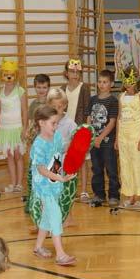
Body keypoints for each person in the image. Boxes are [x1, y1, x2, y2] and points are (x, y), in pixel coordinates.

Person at [30, 105, 76, 266]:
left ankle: (38, 247)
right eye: (53, 123)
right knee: (55, 215)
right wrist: (60, 178)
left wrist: (74, 143)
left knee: (47, 216)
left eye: (57, 123)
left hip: (54, 181)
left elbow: (62, 150)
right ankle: (60, 254)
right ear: (41, 123)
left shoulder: (56, 136)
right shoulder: (38, 145)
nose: (56, 127)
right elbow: (41, 169)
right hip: (44, 185)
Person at [115, 65, 140, 209]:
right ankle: (130, 196)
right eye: (126, 80)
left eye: (131, 80)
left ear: (136, 80)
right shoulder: (121, 96)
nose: (128, 83)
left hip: (136, 136)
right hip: (124, 137)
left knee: (139, 166)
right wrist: (117, 138)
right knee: (125, 166)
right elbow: (119, 117)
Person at [85, 69, 120, 207]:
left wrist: (100, 137)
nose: (101, 84)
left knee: (111, 169)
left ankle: (114, 195)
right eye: (99, 81)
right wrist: (90, 134)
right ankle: (99, 194)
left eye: (105, 82)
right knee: (96, 169)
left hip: (107, 142)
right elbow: (89, 117)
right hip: (94, 142)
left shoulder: (113, 101)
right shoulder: (93, 99)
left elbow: (112, 122)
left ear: (111, 84)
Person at [0, 58, 28, 193]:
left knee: (18, 155)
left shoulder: (20, 91)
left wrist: (25, 128)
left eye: (11, 74)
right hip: (4, 129)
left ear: (15, 76)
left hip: (17, 128)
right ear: (1, 76)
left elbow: (25, 111)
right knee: (9, 156)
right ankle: (13, 183)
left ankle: (19, 183)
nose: (9, 77)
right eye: (6, 74)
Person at [46, 88, 78, 227]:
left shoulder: (69, 123)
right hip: (51, 163)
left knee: (66, 191)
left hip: (65, 163)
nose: (57, 109)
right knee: (52, 191)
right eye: (54, 106)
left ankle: (69, 217)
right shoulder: (47, 121)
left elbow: (77, 138)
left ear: (65, 105)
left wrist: (68, 145)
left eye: (60, 106)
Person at [61, 58, 91, 203]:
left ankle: (84, 190)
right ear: (66, 73)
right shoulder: (62, 89)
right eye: (72, 71)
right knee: (68, 160)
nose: (74, 74)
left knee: (83, 160)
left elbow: (87, 110)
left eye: (77, 72)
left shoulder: (84, 87)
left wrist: (87, 130)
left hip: (79, 129)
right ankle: (69, 189)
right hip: (66, 130)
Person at [25, 74, 50, 214]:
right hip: (35, 144)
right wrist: (28, 142)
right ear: (35, 87)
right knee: (33, 174)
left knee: (45, 173)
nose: (41, 90)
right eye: (39, 87)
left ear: (48, 88)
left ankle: (46, 202)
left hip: (47, 144)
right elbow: (30, 124)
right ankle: (33, 201)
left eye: (44, 87)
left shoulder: (50, 104)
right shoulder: (33, 105)